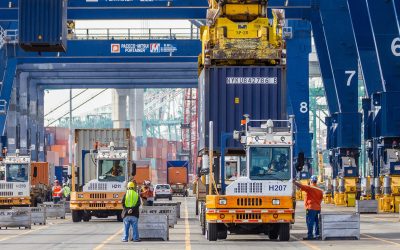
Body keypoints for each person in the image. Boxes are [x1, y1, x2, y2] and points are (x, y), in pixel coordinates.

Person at [294, 175, 323, 240]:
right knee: (316, 222)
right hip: (318, 208)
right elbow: (321, 199)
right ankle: (317, 235)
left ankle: (310, 235)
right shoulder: (320, 190)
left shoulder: (310, 188)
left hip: (311, 208)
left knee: (310, 222)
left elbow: (301, 186)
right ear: (316, 181)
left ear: (311, 181)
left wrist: (294, 182)